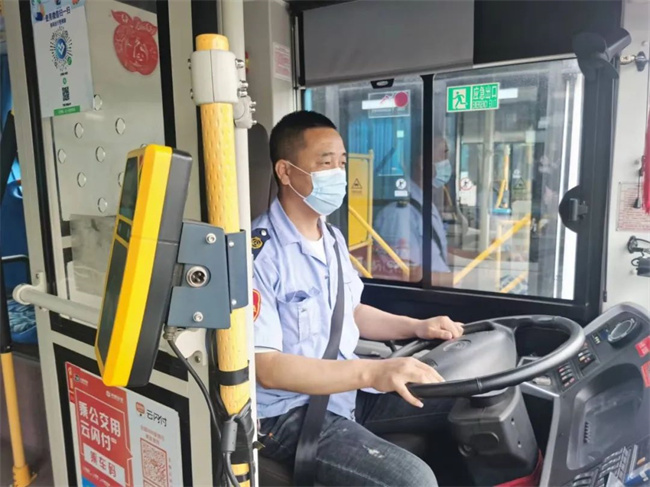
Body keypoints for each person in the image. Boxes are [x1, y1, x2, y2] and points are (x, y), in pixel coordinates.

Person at [252, 111, 464, 486]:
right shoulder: (258, 255)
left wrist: (418, 326)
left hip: (343, 391)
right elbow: (266, 367)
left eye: (342, 162)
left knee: (465, 400)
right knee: (414, 480)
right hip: (286, 413)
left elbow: (351, 311)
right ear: (285, 172)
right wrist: (373, 372)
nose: (338, 173)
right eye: (325, 163)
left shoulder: (331, 238)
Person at [373, 137, 453, 283]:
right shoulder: (400, 212)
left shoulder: (424, 203)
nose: (447, 163)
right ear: (423, 163)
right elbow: (410, 274)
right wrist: (466, 280)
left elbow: (437, 253)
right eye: (443, 155)